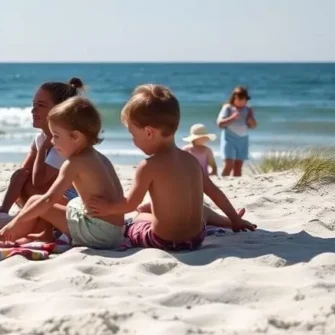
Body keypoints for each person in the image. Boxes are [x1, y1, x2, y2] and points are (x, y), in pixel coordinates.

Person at [85, 85, 255, 252]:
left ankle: (144, 219)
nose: (133, 141)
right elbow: (214, 192)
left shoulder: (148, 166)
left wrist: (108, 208)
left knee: (139, 217)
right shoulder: (191, 160)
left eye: (133, 135)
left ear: (149, 132)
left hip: (164, 241)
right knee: (203, 210)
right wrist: (235, 218)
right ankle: (229, 221)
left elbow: (130, 204)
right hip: (196, 239)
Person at [0, 96, 126, 250]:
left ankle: (4, 234)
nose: (52, 142)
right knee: (70, 201)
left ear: (75, 137)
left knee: (36, 200)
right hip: (115, 231)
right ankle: (44, 235)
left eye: (56, 136)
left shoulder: (73, 164)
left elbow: (48, 200)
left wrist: (20, 219)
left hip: (98, 233)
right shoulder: (99, 157)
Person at [0, 79, 85, 214]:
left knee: (31, 187)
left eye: (41, 105)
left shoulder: (64, 143)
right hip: (49, 196)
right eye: (33, 104)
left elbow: (38, 181)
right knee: (20, 177)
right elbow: (25, 171)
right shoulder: (41, 137)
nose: (33, 110)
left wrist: (43, 148)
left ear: (59, 110)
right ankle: (3, 213)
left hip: (73, 202)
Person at [216, 86, 256, 177]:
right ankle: (222, 183)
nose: (241, 102)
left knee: (238, 166)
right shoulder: (228, 108)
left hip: (243, 139)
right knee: (228, 164)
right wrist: (232, 118)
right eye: (239, 99)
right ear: (234, 98)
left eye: (244, 99)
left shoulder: (248, 109)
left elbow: (253, 126)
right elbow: (219, 123)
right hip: (229, 138)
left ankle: (236, 185)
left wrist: (250, 120)